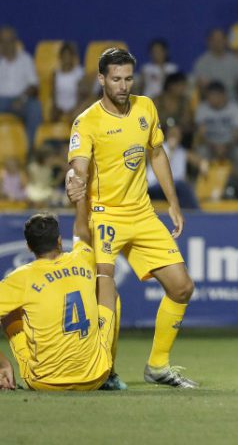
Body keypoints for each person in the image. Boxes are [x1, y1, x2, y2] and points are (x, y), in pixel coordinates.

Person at [67, 48, 198, 389]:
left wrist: (173, 202)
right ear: (101, 79)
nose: (123, 86)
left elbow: (157, 152)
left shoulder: (146, 107)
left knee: (182, 288)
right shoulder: (87, 121)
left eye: (128, 78)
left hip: (141, 212)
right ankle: (103, 370)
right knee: (105, 286)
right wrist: (74, 184)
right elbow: (78, 168)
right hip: (103, 214)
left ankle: (157, 366)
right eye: (115, 79)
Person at [0, 190, 116, 391]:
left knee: (10, 310)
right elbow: (82, 233)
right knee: (106, 282)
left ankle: (6, 373)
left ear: (29, 247)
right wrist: (79, 202)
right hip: (96, 376)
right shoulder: (83, 258)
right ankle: (112, 372)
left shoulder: (20, 278)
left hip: (45, 383)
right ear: (60, 241)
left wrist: (3, 363)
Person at [0, 26, 43, 145]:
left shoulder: (25, 59)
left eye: (9, 41)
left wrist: (22, 98)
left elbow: (34, 86)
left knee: (35, 107)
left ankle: (29, 152)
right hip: (1, 100)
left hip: (21, 100)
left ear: (15, 42)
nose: (6, 45)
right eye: (3, 41)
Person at [193, 28, 238, 101]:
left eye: (221, 40)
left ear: (226, 41)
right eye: (215, 40)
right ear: (209, 42)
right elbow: (203, 89)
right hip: (211, 102)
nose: (218, 43)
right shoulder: (202, 62)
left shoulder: (235, 60)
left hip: (232, 102)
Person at [51, 41, 86, 122]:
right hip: (59, 110)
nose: (66, 58)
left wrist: (74, 111)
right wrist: (56, 110)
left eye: (69, 56)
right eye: (64, 56)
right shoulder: (55, 74)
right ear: (60, 57)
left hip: (74, 109)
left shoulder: (79, 73)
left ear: (73, 57)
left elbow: (81, 96)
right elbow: (53, 96)